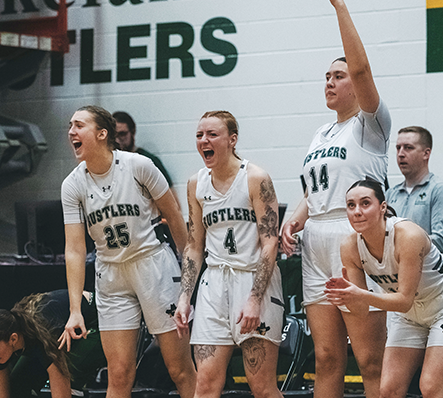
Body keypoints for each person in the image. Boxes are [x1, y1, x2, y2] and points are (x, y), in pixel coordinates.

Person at [279, 0, 390, 398]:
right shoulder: (320, 133)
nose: (330, 81)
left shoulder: (370, 124)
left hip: (354, 232)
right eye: (327, 76)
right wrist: (294, 219)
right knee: (325, 357)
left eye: (338, 76)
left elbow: (361, 68)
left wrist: (339, 5)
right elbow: (314, 191)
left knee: (369, 359)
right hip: (316, 239)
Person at [60, 105, 196, 398]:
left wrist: (189, 277)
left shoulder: (139, 165)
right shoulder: (72, 185)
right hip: (110, 274)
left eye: (79, 125)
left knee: (179, 369)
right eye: (70, 126)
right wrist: (74, 310)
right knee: (119, 374)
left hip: (154, 265)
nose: (71, 131)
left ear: (101, 133)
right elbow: (74, 249)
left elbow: (174, 216)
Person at [173, 111, 283, 398]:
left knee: (262, 387)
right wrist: (184, 297)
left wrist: (255, 299)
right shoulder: (196, 184)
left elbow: (270, 242)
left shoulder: (255, 178)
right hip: (213, 284)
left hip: (253, 279)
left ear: (232, 140)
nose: (204, 141)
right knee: (205, 385)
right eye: (199, 135)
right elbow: (194, 245)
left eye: (212, 134)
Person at [325, 179, 443, 398]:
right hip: (408, 316)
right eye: (351, 205)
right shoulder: (349, 246)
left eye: (365, 203)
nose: (357, 211)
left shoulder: (408, 235)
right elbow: (362, 310)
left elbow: (404, 300)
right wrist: (348, 299)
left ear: (382, 207)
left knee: (430, 386)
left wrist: (360, 295)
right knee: (388, 390)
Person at [0, 290, 104, 398]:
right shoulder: (9, 337)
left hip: (97, 319)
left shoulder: (42, 334)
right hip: (62, 330)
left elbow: (61, 388)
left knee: (67, 377)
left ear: (13, 339)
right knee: (17, 385)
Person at [386, 126, 443, 256]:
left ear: (426, 154)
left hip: (428, 267)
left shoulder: (440, 190)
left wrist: (403, 243)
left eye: (408, 148)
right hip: (396, 266)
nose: (401, 154)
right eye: (398, 148)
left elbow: (441, 241)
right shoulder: (391, 194)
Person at [112, 111, 180, 208]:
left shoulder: (148, 160)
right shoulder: (109, 163)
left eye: (122, 134)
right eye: (114, 135)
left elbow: (174, 203)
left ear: (132, 132)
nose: (117, 140)